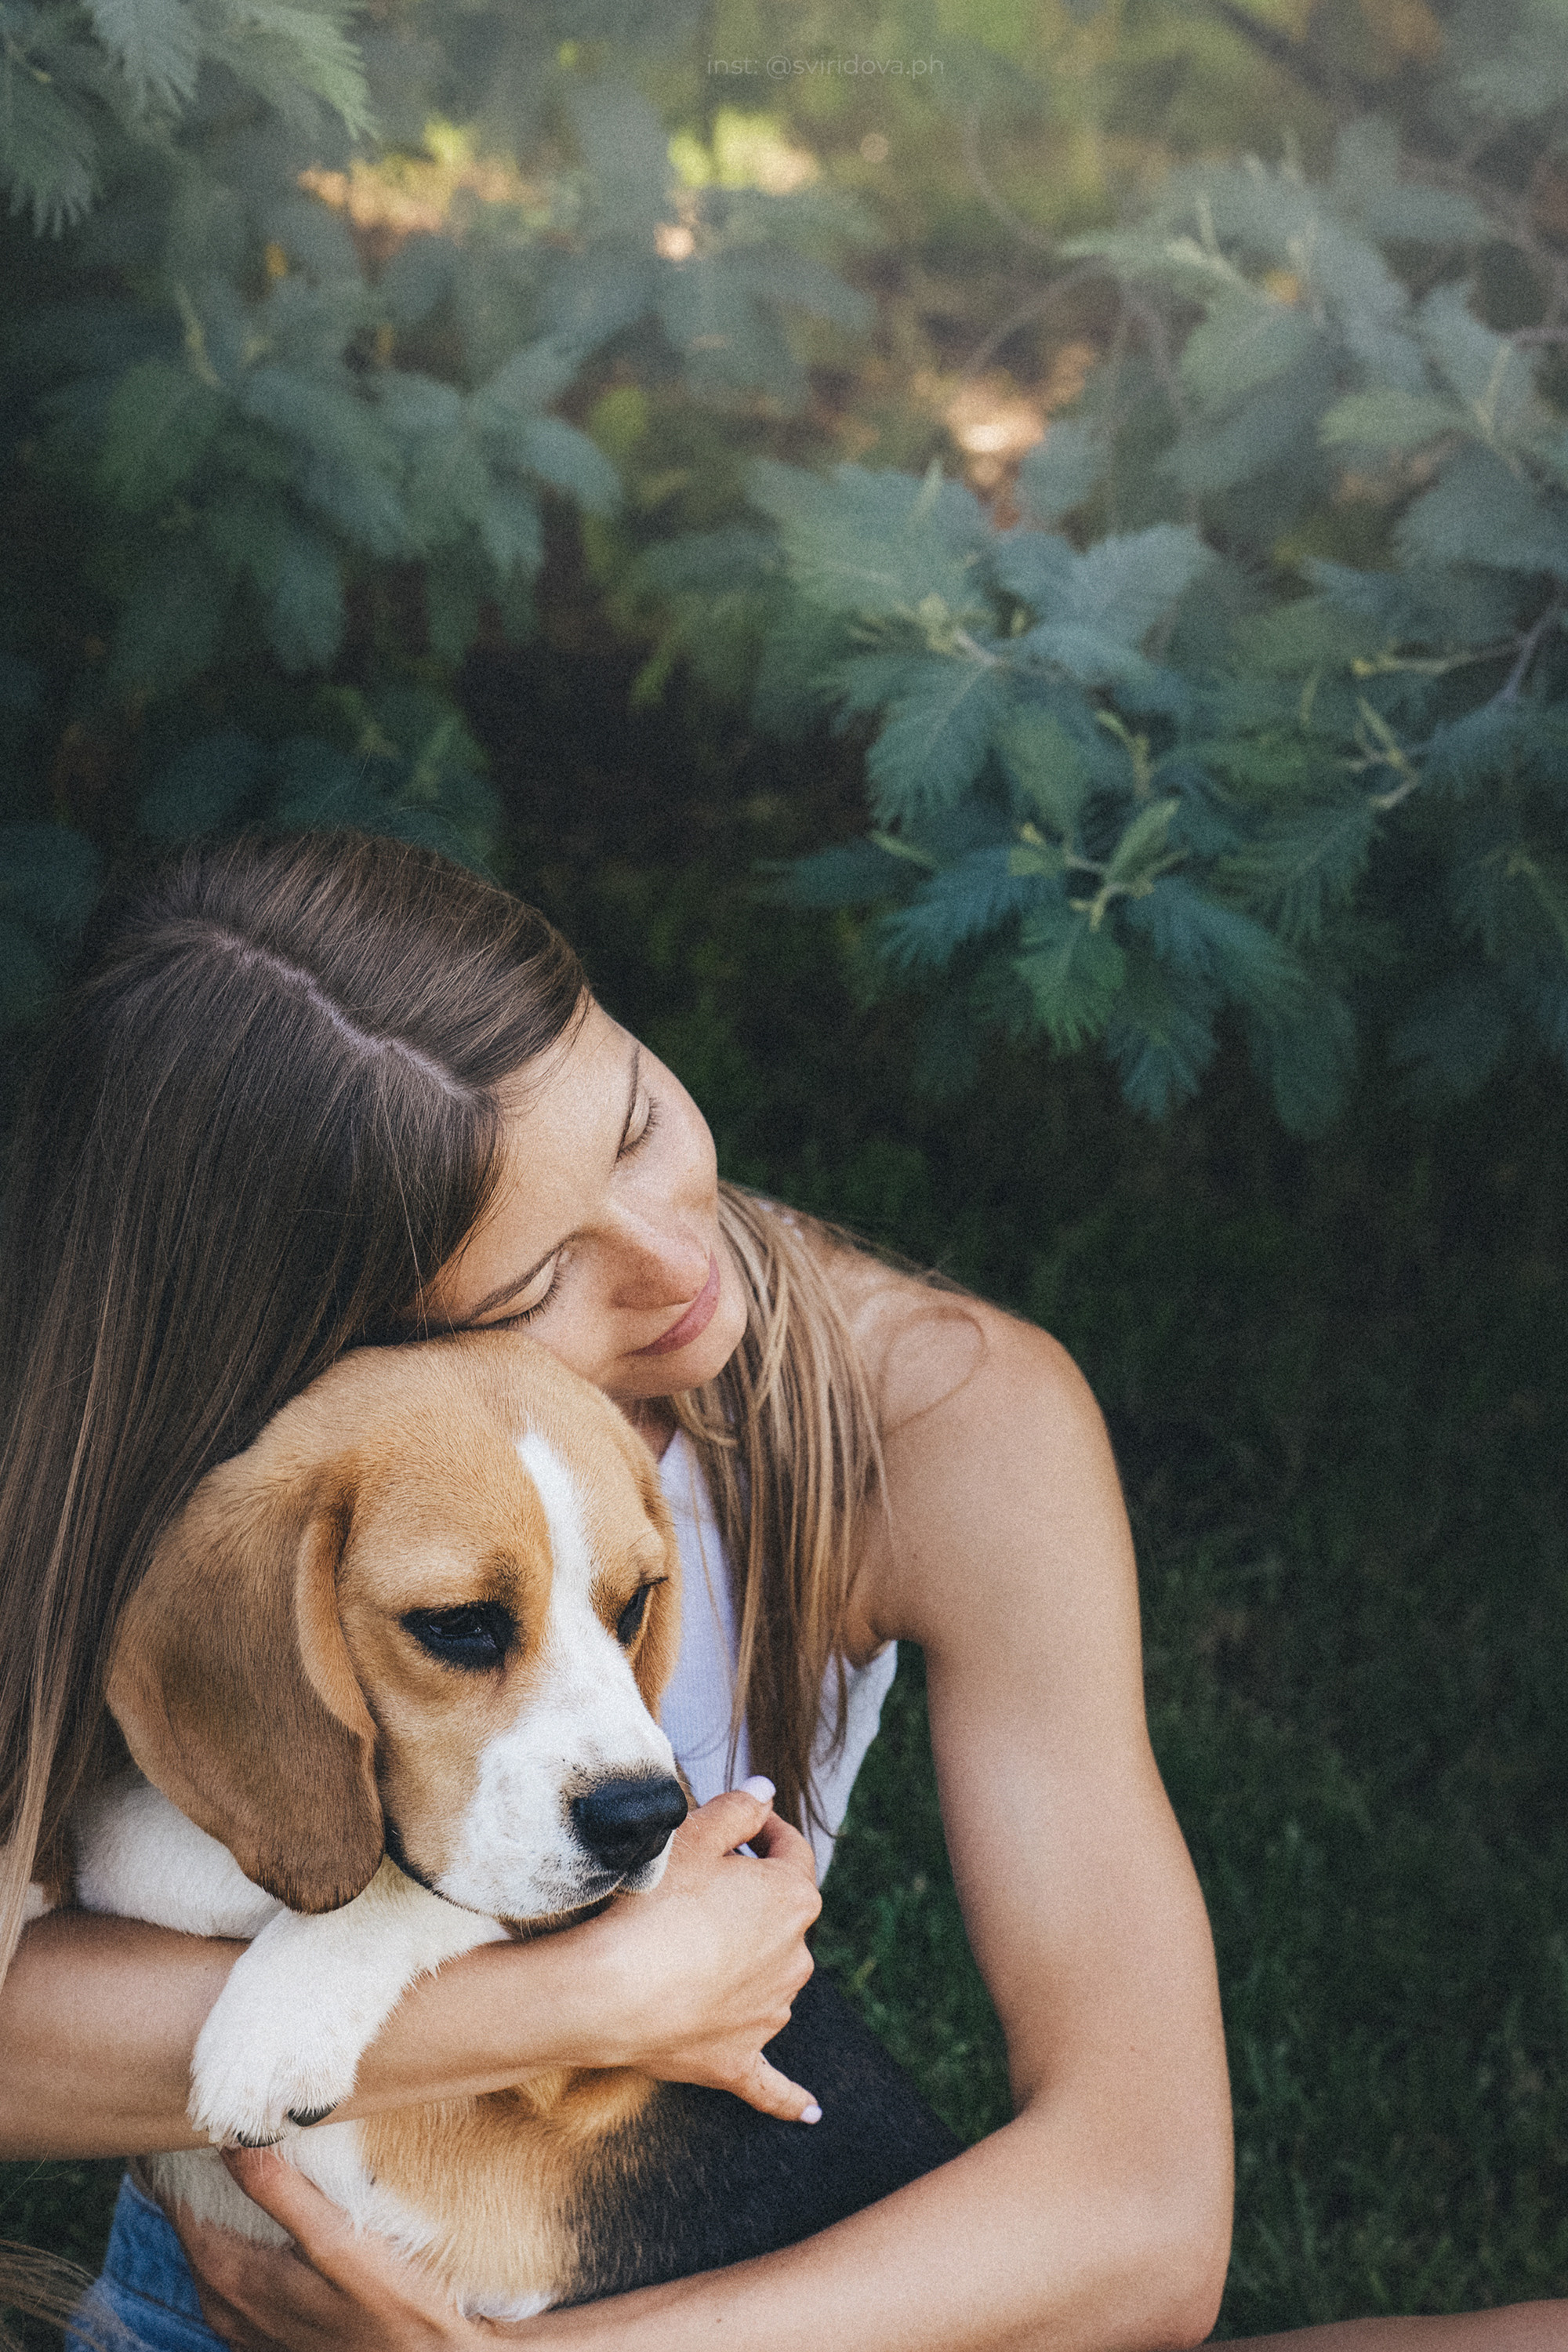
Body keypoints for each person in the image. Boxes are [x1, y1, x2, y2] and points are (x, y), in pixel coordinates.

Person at [0, 823, 1289, 2352]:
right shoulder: (190, 1494)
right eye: (530, 1284)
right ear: (323, 1348)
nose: (674, 1259)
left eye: (630, 1125)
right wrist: (593, 2002)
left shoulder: (947, 1417)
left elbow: (1142, 2221)